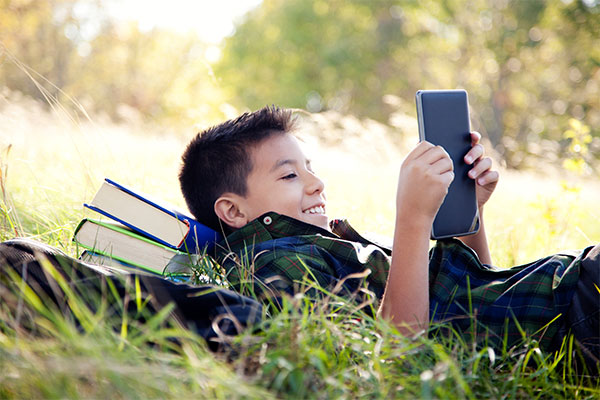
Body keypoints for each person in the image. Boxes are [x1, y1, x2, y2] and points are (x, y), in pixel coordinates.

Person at [179, 105, 599, 372]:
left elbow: (473, 294)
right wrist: (413, 219)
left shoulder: (318, 243)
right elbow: (392, 352)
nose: (316, 183)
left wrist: (469, 214)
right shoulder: (273, 262)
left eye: (310, 167)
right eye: (290, 175)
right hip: (573, 309)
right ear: (233, 211)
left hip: (566, 295)